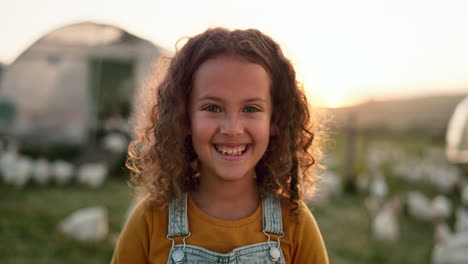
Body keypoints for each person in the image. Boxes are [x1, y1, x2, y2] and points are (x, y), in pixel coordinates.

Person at [112, 27, 329, 264]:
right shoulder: (150, 220)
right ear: (184, 118)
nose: (232, 128)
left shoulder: (295, 223)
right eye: (213, 108)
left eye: (251, 109)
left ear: (275, 121)